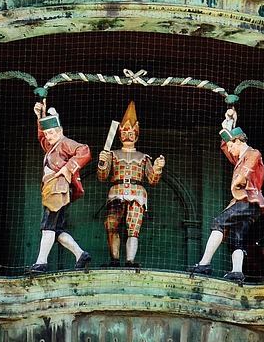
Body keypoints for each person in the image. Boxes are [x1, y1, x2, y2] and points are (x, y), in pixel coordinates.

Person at [188, 107, 264, 283]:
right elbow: (226, 146)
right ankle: (237, 271)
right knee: (234, 238)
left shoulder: (252, 154)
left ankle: (204, 263)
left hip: (247, 200)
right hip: (250, 205)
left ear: (238, 141)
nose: (230, 149)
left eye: (231, 145)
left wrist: (237, 183)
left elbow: (245, 173)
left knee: (218, 223)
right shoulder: (241, 156)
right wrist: (230, 123)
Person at [97, 101, 165, 267]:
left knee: (133, 227)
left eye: (131, 132)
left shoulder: (143, 157)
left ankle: (130, 261)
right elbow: (102, 176)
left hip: (137, 194)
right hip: (116, 192)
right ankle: (114, 260)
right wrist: (102, 163)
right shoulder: (112, 154)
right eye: (125, 132)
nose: (128, 135)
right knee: (111, 225)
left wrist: (157, 168)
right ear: (119, 134)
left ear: (137, 134)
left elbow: (152, 180)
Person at [31, 102, 91, 275]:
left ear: (60, 130)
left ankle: (41, 262)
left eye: (51, 133)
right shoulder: (51, 146)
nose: (48, 136)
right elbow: (42, 138)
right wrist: (40, 116)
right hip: (52, 189)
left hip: (58, 190)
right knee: (57, 230)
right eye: (47, 133)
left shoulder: (65, 143)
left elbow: (84, 150)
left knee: (48, 226)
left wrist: (68, 168)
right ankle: (80, 254)